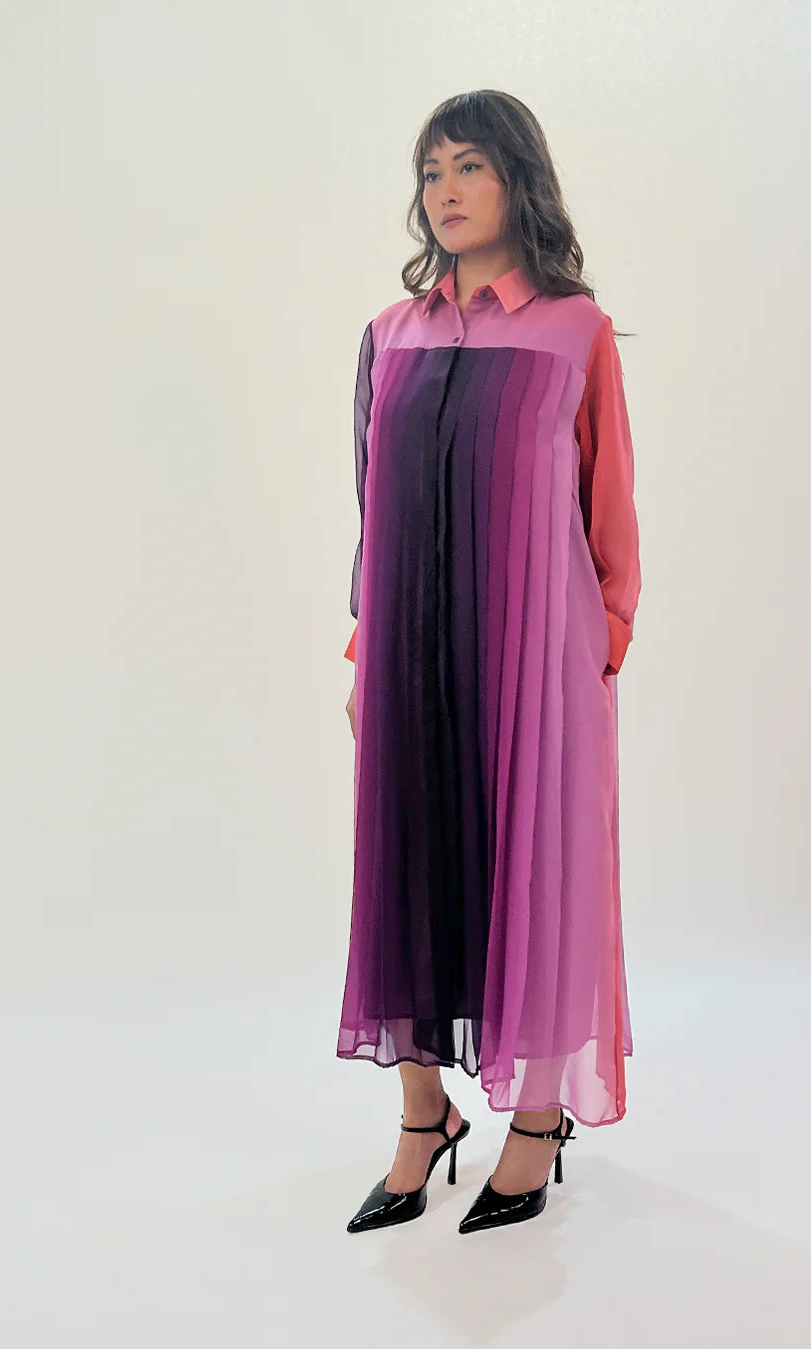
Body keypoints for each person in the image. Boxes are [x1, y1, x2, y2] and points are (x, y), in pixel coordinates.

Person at [338, 90, 641, 1235]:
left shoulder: (574, 329)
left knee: (539, 877)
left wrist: (600, 646)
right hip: (409, 649)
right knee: (406, 869)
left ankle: (537, 1121)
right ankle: (425, 1117)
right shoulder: (390, 334)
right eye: (431, 171)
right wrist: (365, 648)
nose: (447, 190)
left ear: (519, 180)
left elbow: (609, 505)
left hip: (539, 656)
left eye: (469, 165)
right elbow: (369, 506)